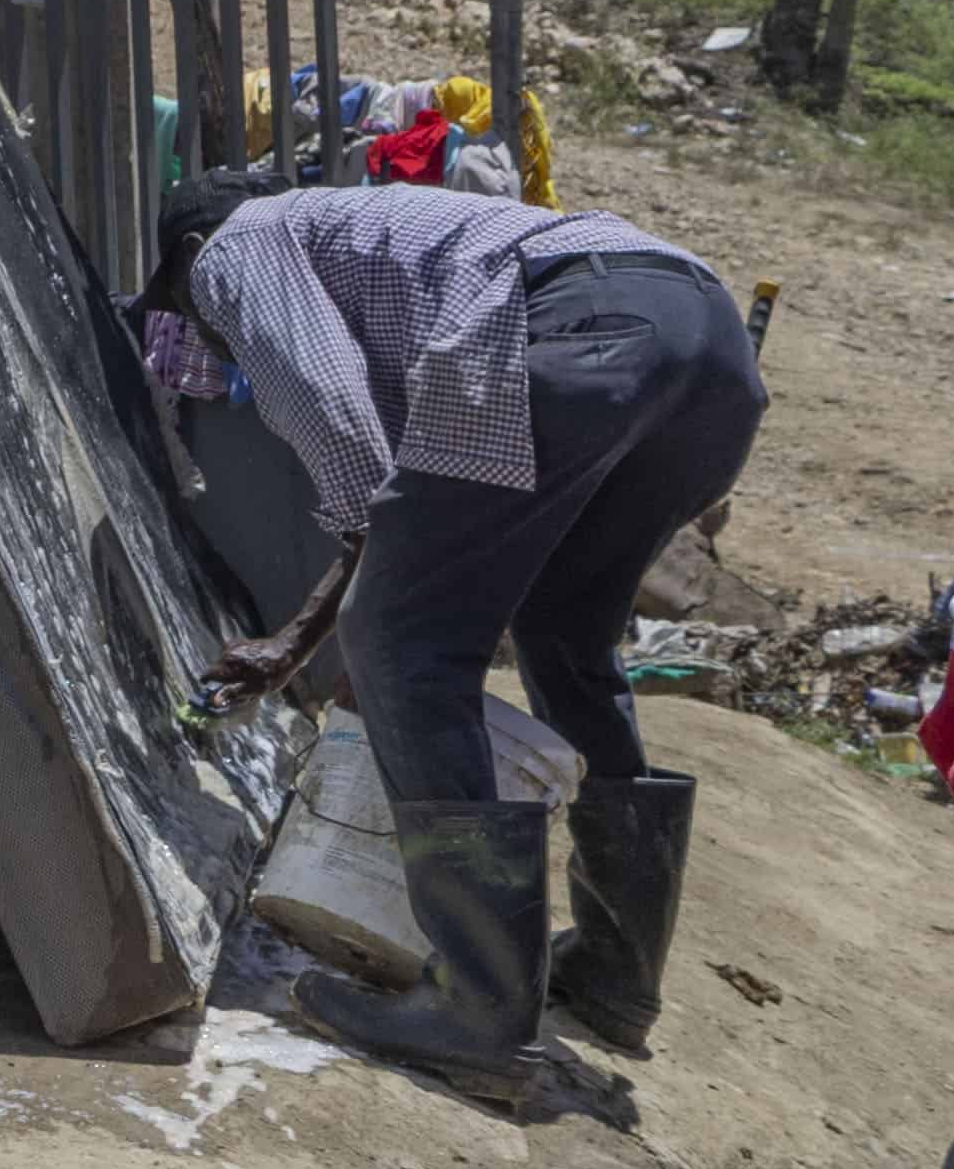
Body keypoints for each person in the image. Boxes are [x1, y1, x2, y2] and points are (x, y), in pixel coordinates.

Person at [155, 168, 765, 1103]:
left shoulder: (239, 248)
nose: (209, 330)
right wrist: (303, 636)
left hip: (581, 334)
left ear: (193, 255)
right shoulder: (380, 247)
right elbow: (401, 503)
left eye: (193, 312)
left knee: (409, 651)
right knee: (568, 634)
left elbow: (342, 431)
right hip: (705, 343)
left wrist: (361, 634)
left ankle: (478, 1010)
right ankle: (613, 974)